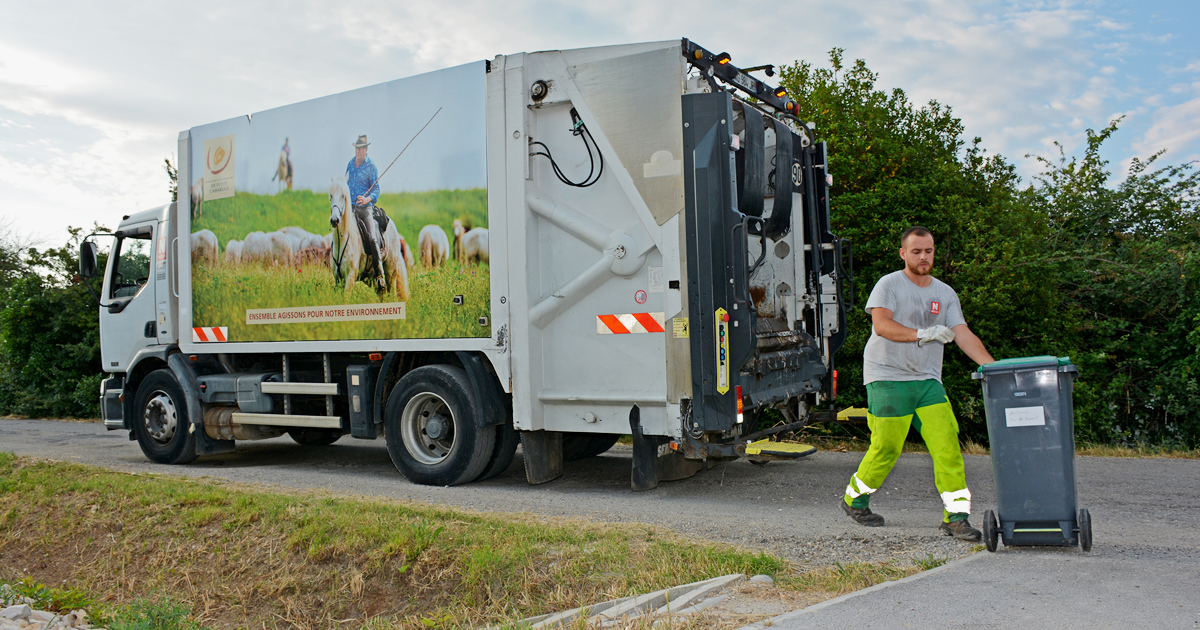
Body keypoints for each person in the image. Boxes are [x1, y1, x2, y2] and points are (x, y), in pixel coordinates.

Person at [840, 226, 995, 542]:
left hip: (927, 382)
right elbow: (882, 325)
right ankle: (854, 499)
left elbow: (962, 333)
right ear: (903, 253)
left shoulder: (944, 293)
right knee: (886, 449)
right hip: (887, 378)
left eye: (929, 251)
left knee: (948, 447)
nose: (924, 257)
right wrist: (921, 334)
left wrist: (994, 368)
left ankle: (955, 518)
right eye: (916, 251)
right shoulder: (889, 284)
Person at [346, 135, 386, 290]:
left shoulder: (371, 167)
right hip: (350, 210)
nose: (358, 151)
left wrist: (367, 199)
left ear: (366, 149)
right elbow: (345, 184)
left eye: (361, 148)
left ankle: (379, 275)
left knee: (372, 238)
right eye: (356, 148)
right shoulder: (350, 164)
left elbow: (376, 190)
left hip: (365, 210)